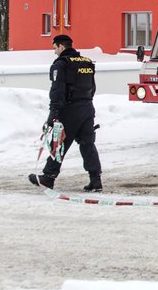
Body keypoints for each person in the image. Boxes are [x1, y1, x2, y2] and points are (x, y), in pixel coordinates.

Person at [28, 35, 103, 192]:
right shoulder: (87, 62)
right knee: (87, 143)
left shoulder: (61, 65)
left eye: (54, 47)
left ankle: (48, 177)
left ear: (61, 46)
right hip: (87, 108)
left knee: (60, 143)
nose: (54, 51)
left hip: (70, 110)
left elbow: (57, 90)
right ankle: (95, 180)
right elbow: (92, 88)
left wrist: (53, 113)